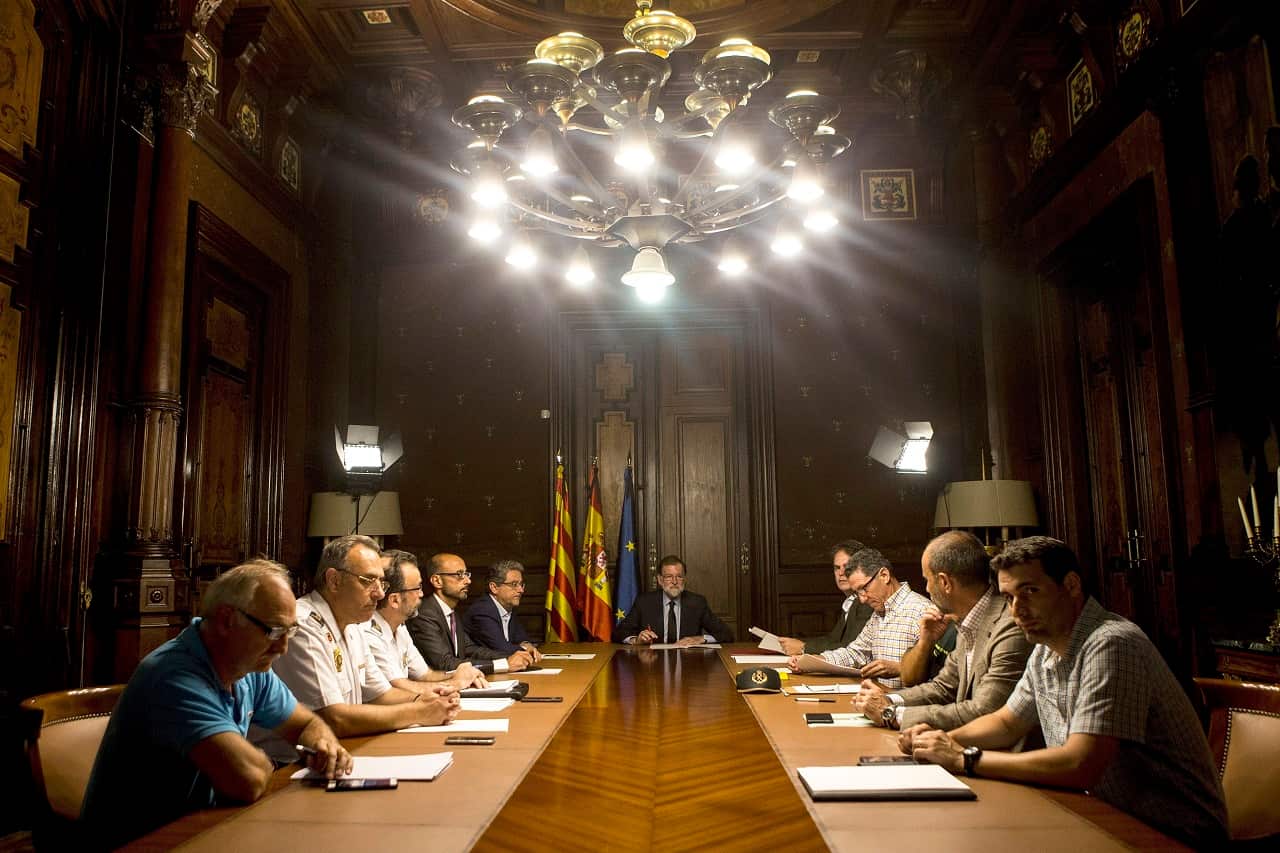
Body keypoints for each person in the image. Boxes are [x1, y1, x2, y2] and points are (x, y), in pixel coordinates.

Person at [902, 536, 1227, 848]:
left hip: (1170, 833)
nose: (1017, 610)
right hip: (1100, 816)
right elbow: (1006, 722)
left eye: (1030, 591)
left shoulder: (1112, 643)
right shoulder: (1046, 646)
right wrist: (943, 742)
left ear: (1071, 585)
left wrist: (963, 758)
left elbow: (1080, 763)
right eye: (1010, 597)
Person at [81, 560, 351, 848]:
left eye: (290, 631)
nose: (283, 647)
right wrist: (262, 760)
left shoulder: (247, 668)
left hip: (207, 826)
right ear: (226, 620)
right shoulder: (174, 677)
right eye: (273, 631)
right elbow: (248, 780)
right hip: (144, 841)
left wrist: (324, 745)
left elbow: (307, 723)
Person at [272, 535, 460, 736]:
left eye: (382, 583)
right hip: (289, 763)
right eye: (368, 581)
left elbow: (381, 694)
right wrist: (418, 712)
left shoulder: (353, 624)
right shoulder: (304, 626)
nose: (379, 594)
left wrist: (427, 698)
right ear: (334, 581)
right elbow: (334, 718)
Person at [855, 531, 1031, 730]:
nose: (927, 589)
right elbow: (942, 688)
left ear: (945, 582)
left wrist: (893, 713)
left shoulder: (1011, 625)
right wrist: (886, 699)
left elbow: (983, 710)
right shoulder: (967, 618)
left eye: (927, 580)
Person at [788, 547, 931, 688]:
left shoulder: (922, 611)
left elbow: (938, 676)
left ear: (884, 575)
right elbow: (855, 653)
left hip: (909, 706)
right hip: (881, 701)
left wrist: (900, 668)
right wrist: (812, 662)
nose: (862, 599)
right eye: (858, 593)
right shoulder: (879, 612)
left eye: (864, 588)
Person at [363, 549, 489, 692]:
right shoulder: (368, 633)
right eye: (417, 588)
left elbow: (425, 675)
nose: (422, 594)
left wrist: (459, 674)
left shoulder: (400, 627)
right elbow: (398, 687)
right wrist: (455, 684)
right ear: (395, 600)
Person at [406, 553, 534, 674]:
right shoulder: (424, 614)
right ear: (437, 581)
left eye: (467, 574)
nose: (468, 581)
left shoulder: (451, 611)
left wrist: (512, 656)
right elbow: (444, 663)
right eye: (459, 574)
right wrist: (504, 664)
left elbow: (469, 650)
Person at [776, 540, 874, 655]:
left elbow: (852, 647)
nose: (841, 573)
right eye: (837, 568)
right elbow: (832, 640)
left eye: (847, 567)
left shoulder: (867, 601)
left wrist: (803, 648)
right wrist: (796, 643)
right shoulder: (852, 600)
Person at [612, 555, 734, 645]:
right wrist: (636, 640)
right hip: (652, 665)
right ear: (660, 580)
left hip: (689, 665)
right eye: (669, 577)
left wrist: (700, 639)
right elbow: (618, 633)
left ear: (684, 579)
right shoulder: (644, 602)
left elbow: (726, 634)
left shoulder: (697, 603)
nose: (675, 582)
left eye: (679, 577)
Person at [462, 560, 543, 660]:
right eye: (514, 584)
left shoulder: (507, 606)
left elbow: (522, 639)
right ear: (494, 587)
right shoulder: (482, 611)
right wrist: (527, 648)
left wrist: (526, 644)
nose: (521, 590)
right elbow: (501, 649)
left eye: (521, 584)